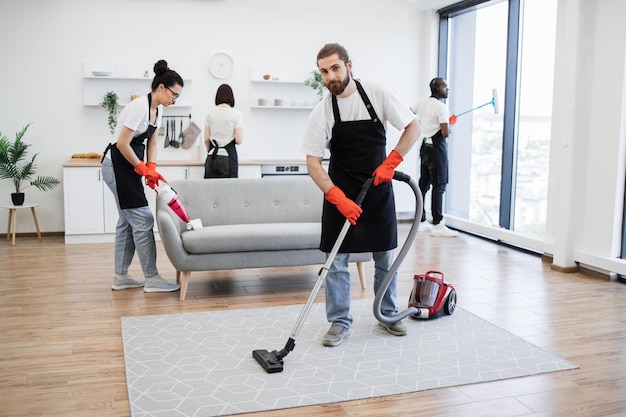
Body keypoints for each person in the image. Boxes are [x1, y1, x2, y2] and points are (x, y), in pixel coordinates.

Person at [301, 43, 420, 347]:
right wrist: (336, 197)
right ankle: (339, 322)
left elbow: (412, 126)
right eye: (324, 72)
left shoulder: (378, 93)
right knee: (336, 262)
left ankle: (387, 313)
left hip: (378, 190)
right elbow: (313, 163)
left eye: (335, 68)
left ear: (349, 65)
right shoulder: (323, 111)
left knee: (385, 257)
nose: (331, 76)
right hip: (341, 193)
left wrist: (391, 163)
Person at [101, 60, 183, 292]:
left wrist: (152, 167)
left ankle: (120, 276)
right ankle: (152, 278)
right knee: (142, 218)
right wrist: (142, 169)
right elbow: (123, 143)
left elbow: (153, 141)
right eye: (174, 94)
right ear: (161, 88)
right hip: (117, 166)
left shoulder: (159, 109)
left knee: (127, 222)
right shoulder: (139, 106)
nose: (174, 99)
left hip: (128, 167)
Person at [410, 77, 458, 237]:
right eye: (445, 86)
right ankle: (437, 224)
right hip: (436, 150)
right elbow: (445, 133)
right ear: (437, 88)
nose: (447, 89)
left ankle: (421, 220)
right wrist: (450, 123)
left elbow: (408, 113)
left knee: (423, 185)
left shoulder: (422, 102)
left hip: (424, 148)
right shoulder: (441, 107)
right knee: (439, 185)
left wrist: (423, 123)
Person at [204, 84, 243, 178]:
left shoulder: (210, 113)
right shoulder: (236, 114)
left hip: (211, 157)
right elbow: (238, 140)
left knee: (210, 189)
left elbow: (206, 139)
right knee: (228, 190)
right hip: (228, 158)